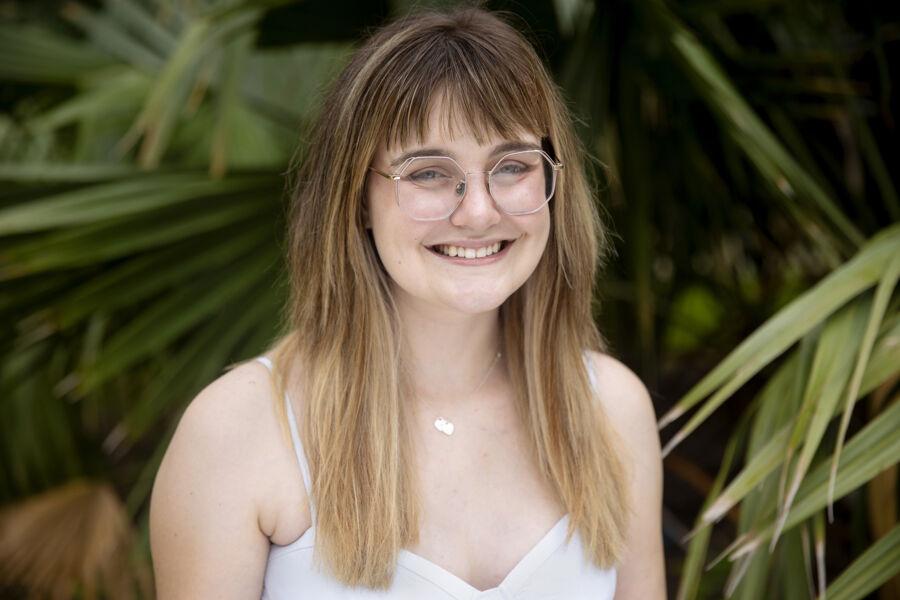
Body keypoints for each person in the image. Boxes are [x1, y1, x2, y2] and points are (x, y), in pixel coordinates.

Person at [149, 6, 665, 599]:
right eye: (428, 174)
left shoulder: (612, 410)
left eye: (513, 165)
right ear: (358, 199)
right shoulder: (239, 432)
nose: (478, 212)